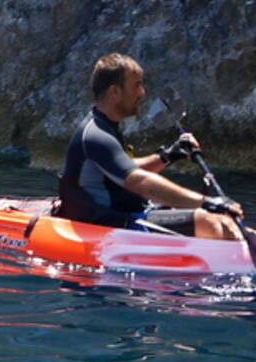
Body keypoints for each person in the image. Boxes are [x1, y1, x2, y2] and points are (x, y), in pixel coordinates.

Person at [56, 51, 244, 240]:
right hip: (110, 225)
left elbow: (123, 168)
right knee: (211, 222)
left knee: (224, 220)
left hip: (130, 214)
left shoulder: (107, 127)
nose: (142, 92)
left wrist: (168, 156)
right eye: (136, 85)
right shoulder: (96, 135)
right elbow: (138, 181)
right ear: (115, 91)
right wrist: (206, 202)